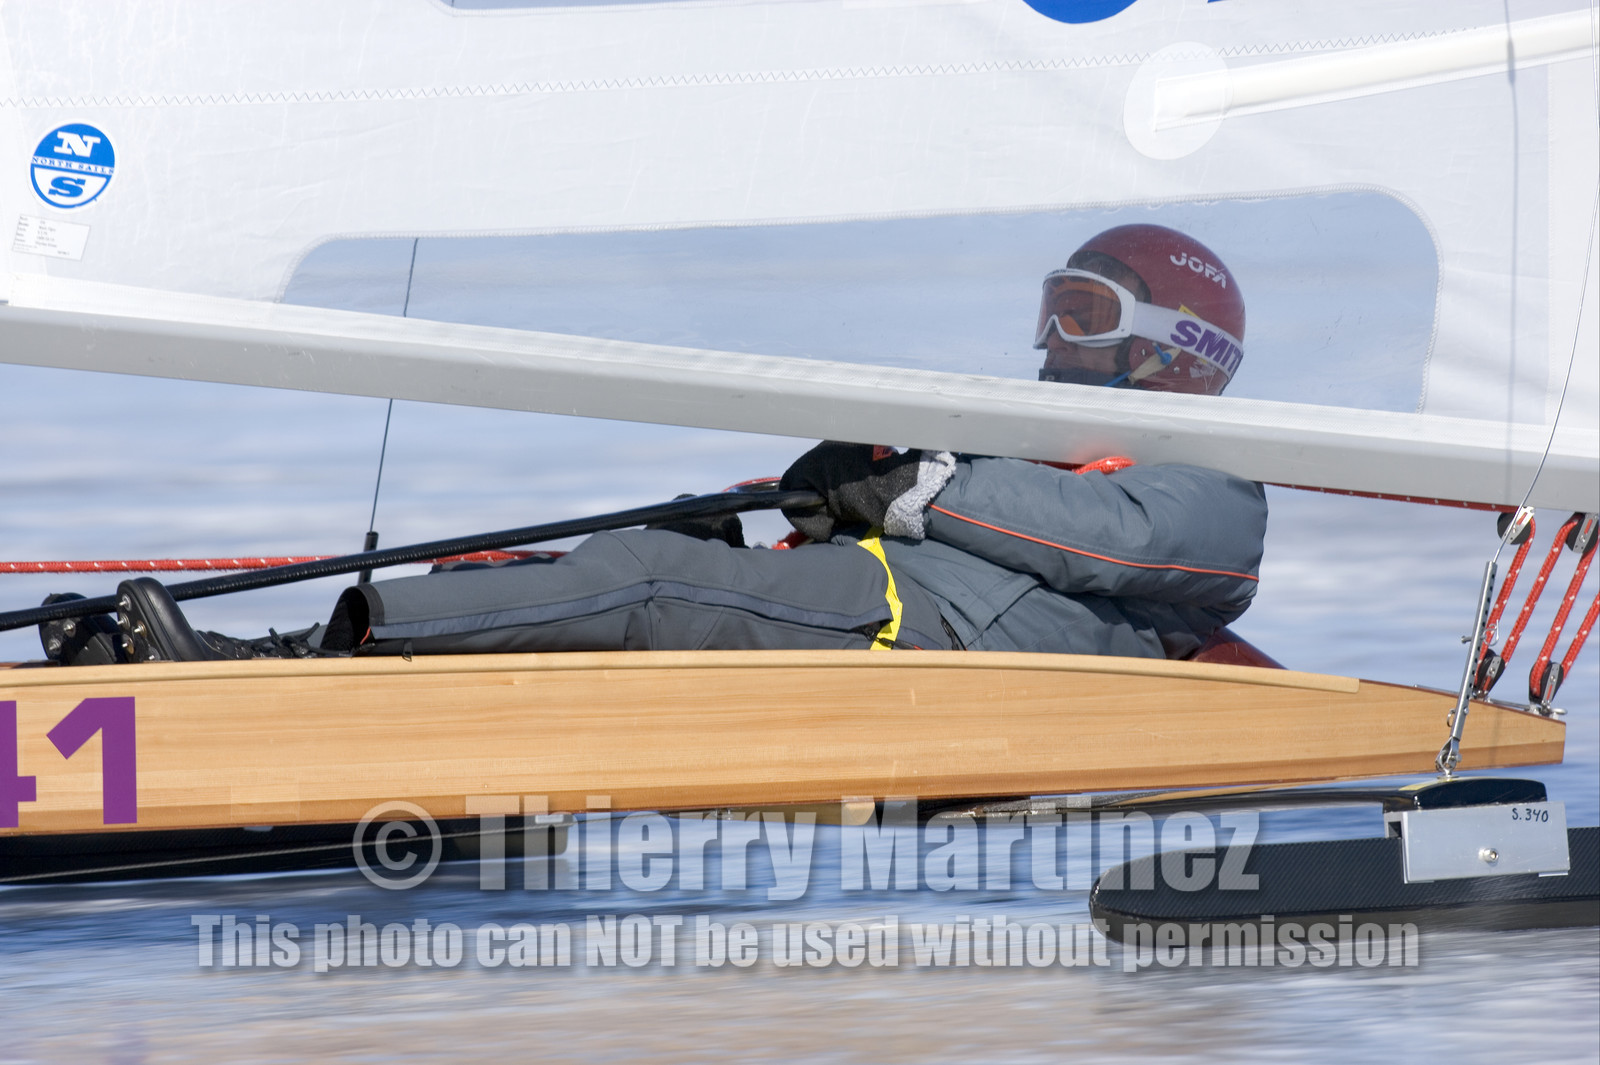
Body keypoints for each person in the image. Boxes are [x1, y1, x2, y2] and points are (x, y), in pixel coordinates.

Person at [60, 224, 1267, 665]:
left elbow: (1097, 542)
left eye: (1089, 314)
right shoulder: (1040, 444)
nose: (1054, 338)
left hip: (938, 629)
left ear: (1180, 352)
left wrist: (905, 489)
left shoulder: (1214, 485)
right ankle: (253, 647)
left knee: (651, 581)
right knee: (644, 546)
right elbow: (974, 508)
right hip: (893, 598)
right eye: (1052, 305)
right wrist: (830, 496)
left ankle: (277, 670)